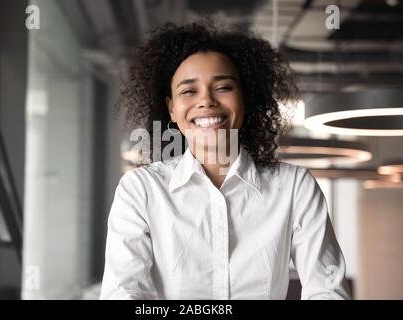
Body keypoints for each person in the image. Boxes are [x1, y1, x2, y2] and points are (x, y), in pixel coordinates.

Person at [100, 21, 351, 300]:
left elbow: (327, 290)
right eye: (188, 91)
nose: (206, 101)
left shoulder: (294, 186)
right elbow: (123, 293)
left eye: (223, 87)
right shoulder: (140, 190)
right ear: (171, 108)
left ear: (245, 99)